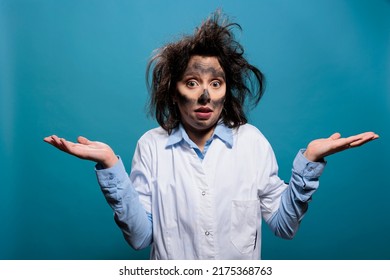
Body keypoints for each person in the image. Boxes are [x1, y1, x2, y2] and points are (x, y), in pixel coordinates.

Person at [44, 11, 378, 260]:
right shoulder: (151, 146)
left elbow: (284, 226)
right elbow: (140, 237)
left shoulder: (252, 142)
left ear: (225, 92)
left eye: (215, 84)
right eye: (192, 83)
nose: (205, 95)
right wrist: (109, 167)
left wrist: (309, 163)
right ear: (174, 93)